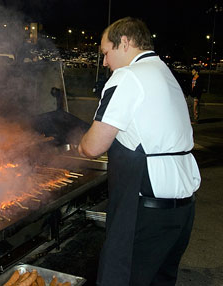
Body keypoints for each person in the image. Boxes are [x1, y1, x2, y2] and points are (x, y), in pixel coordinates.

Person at [78, 17, 201, 286]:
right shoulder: (162, 71)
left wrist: (80, 143)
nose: (105, 62)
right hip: (181, 210)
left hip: (147, 210)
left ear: (125, 43)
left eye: (105, 53)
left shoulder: (128, 76)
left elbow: (92, 146)